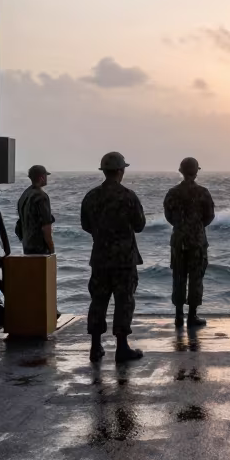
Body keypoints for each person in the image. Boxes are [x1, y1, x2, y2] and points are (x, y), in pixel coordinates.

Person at [81, 151, 146, 364]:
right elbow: (140, 225)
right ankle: (122, 347)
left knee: (98, 301)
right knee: (124, 301)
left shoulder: (91, 196)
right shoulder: (128, 196)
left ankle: (95, 346)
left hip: (100, 258)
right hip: (124, 260)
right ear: (120, 171)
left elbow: (85, 225)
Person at [163, 157, 215, 329]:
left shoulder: (172, 193)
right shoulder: (203, 193)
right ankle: (192, 316)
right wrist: (197, 227)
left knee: (178, 276)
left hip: (178, 240)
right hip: (197, 242)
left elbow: (168, 216)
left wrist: (181, 227)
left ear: (181, 171)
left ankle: (178, 315)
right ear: (196, 171)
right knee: (196, 278)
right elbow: (209, 216)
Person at [15, 165, 55, 255]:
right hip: (40, 249)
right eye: (46, 176)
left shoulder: (24, 195)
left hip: (27, 247)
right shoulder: (41, 197)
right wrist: (52, 250)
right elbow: (46, 227)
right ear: (42, 177)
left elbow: (19, 225)